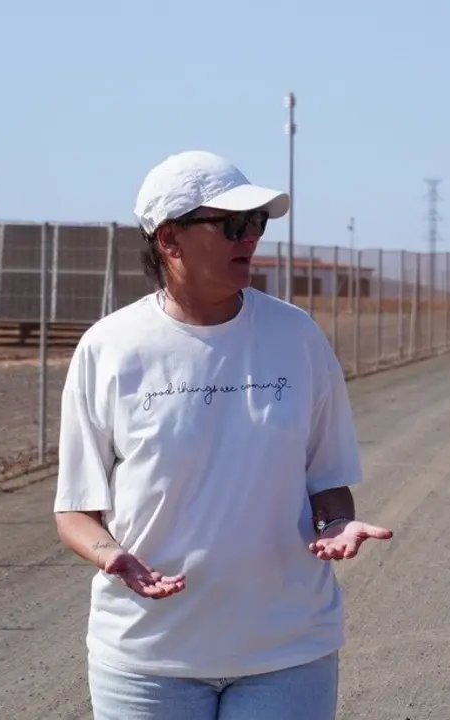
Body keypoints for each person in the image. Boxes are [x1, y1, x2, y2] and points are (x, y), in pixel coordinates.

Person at [53, 149, 393, 720]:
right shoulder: (110, 348)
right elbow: (76, 511)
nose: (251, 237)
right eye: (232, 224)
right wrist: (111, 555)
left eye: (256, 222)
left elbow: (328, 481)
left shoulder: (296, 335)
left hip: (287, 651)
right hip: (148, 658)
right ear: (169, 239)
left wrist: (335, 523)